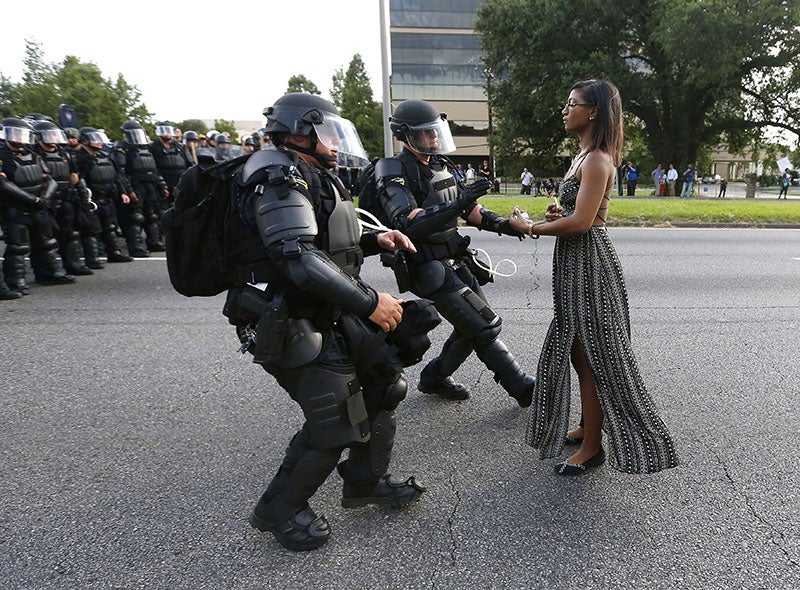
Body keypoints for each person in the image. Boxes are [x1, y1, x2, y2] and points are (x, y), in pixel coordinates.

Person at [221, 92, 426, 551]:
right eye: (327, 132)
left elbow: (326, 242)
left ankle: (363, 481)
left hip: (325, 310)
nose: (336, 143)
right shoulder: (275, 174)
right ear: (298, 132)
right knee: (336, 418)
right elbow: (298, 257)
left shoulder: (306, 172)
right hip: (287, 317)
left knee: (383, 384)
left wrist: (378, 240)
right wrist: (371, 302)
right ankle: (278, 509)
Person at [508, 79, 678, 476]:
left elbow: (584, 223)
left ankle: (592, 447)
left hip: (590, 265)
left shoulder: (599, 159)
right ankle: (588, 425)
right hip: (574, 263)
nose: (565, 110)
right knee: (577, 351)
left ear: (594, 111)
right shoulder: (582, 157)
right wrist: (556, 216)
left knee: (596, 356)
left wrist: (530, 227)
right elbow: (575, 214)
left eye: (573, 103)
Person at [373, 98, 534, 406]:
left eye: (436, 132)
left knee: (471, 327)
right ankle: (523, 387)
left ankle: (434, 377)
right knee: (484, 325)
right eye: (426, 133)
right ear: (406, 135)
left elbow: (470, 209)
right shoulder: (392, 168)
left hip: (455, 258)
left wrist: (506, 226)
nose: (434, 139)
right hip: (425, 264)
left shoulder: (440, 165)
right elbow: (407, 221)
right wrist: (458, 204)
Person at [0, 117, 75, 295]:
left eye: (22, 134)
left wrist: (44, 198)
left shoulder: (34, 154)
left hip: (39, 204)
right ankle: (16, 281)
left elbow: (49, 178)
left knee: (46, 242)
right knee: (18, 246)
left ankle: (50, 273)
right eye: (15, 134)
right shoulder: (3, 156)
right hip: (16, 207)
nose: (19, 138)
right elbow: (3, 184)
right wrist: (32, 200)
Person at [32, 120, 96, 276]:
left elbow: (73, 175)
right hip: (46, 201)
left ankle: (73, 265)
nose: (53, 138)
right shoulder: (34, 154)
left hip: (66, 199)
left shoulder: (63, 153)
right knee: (45, 238)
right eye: (49, 135)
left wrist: (81, 195)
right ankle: (46, 272)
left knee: (70, 234)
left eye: (54, 134)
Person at [75, 127, 133, 263]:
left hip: (108, 198)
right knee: (91, 230)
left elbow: (116, 177)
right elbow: (78, 180)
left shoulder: (105, 156)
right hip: (92, 199)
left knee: (110, 227)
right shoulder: (79, 158)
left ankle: (114, 253)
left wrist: (122, 192)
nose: (99, 142)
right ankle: (93, 259)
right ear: (84, 141)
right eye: (95, 139)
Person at [112, 120, 169, 254]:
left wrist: (162, 186)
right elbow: (121, 173)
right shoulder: (122, 149)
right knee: (135, 217)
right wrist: (129, 191)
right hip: (135, 184)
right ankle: (136, 247)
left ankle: (154, 242)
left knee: (153, 215)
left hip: (150, 185)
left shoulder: (146, 148)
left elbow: (154, 169)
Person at [150, 122, 191, 206]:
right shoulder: (153, 147)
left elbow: (190, 164)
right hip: (162, 182)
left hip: (181, 182)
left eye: (168, 130)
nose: (166, 133)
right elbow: (152, 167)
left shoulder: (181, 147)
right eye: (163, 131)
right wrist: (162, 185)